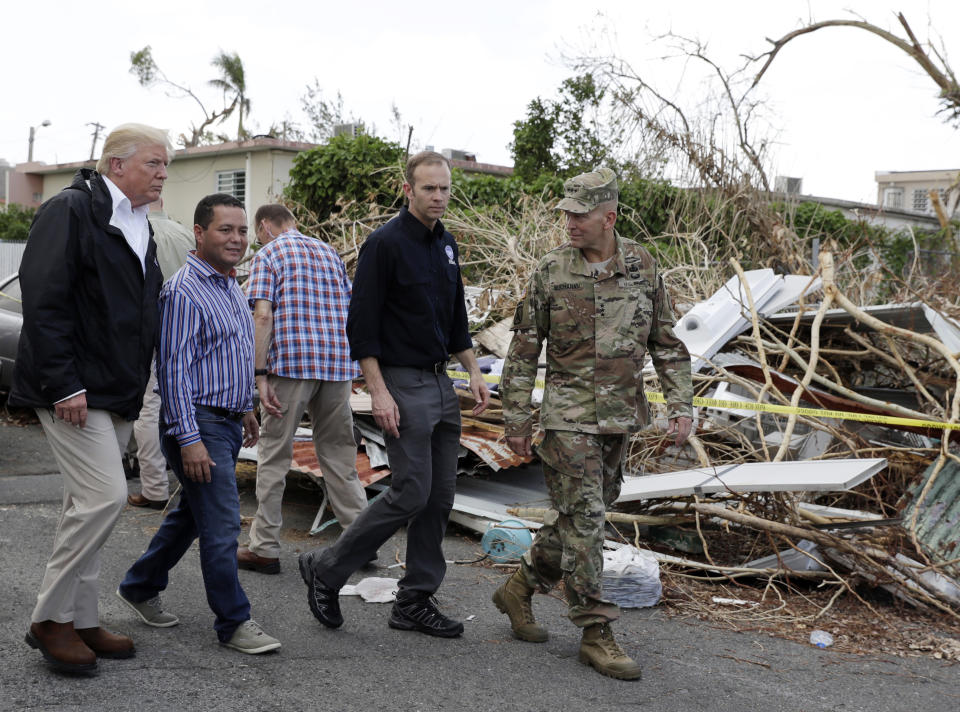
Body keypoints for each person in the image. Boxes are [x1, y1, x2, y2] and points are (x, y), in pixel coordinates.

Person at [495, 167, 694, 680]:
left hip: (620, 418)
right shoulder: (551, 271)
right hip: (567, 420)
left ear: (609, 217)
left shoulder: (642, 266)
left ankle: (517, 589)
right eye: (565, 212)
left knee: (578, 519)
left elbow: (667, 344)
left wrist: (682, 406)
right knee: (587, 521)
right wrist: (516, 417)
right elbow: (521, 353)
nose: (569, 222)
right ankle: (595, 630)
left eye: (579, 214)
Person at [298, 151, 489, 638]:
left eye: (445, 188)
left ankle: (414, 601)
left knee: (440, 497)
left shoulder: (446, 243)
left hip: (441, 382)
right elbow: (360, 329)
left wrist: (473, 372)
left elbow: (455, 321)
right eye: (429, 188)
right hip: (401, 381)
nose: (439, 197)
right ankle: (328, 566)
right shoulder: (383, 245)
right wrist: (379, 393)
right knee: (411, 491)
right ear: (408, 190)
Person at [10, 123, 170, 673]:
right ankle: (49, 618)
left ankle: (81, 616)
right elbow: (45, 297)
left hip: (117, 389)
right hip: (74, 388)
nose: (163, 173)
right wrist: (65, 384)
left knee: (86, 507)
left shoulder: (139, 220)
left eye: (165, 164)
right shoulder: (72, 209)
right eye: (154, 163)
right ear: (117, 164)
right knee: (104, 498)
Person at [115, 193, 281, 655]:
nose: (237, 239)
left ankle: (139, 584)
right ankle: (234, 622)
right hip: (198, 424)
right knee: (223, 524)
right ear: (200, 233)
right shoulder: (184, 291)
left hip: (225, 422)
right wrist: (189, 440)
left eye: (243, 230)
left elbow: (227, 357)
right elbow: (174, 370)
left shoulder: (230, 285)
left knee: (192, 515)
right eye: (226, 230)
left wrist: (245, 406)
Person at [237, 204, 369, 574]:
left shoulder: (269, 254)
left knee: (274, 455)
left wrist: (259, 375)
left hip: (290, 365)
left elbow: (263, 315)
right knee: (340, 457)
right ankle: (361, 542)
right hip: (336, 366)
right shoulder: (328, 253)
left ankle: (264, 548)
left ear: (265, 226)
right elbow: (350, 307)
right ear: (293, 223)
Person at [127, 201, 197, 509]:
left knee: (149, 410)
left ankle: (154, 487)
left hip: (153, 329)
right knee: (187, 404)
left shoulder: (137, 231)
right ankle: (190, 482)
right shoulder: (186, 234)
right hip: (191, 327)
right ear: (165, 205)